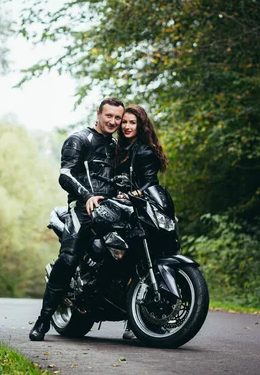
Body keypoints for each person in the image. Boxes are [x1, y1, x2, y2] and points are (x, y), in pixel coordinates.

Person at [29, 97, 125, 341]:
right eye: (109, 116)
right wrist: (88, 196)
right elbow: (65, 175)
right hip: (82, 208)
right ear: (99, 114)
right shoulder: (79, 139)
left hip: (113, 210)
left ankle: (133, 320)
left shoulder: (117, 147)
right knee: (69, 258)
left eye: (118, 118)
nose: (113, 121)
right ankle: (42, 321)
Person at [116, 104, 169, 339]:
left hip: (140, 209)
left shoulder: (145, 151)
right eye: (124, 122)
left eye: (132, 123)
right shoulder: (118, 148)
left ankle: (135, 322)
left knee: (140, 261)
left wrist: (131, 195)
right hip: (119, 207)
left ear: (141, 125)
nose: (127, 126)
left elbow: (149, 184)